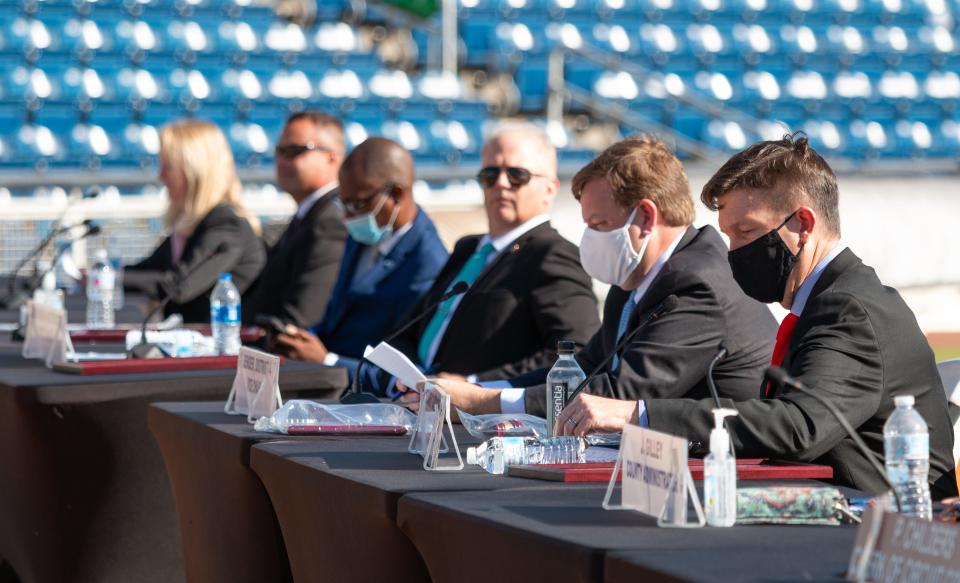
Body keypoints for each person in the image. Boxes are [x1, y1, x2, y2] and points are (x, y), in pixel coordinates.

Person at [564, 133, 955, 497]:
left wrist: (638, 412)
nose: (732, 251)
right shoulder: (826, 299)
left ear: (802, 225)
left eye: (746, 232)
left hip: (881, 531)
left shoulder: (847, 309)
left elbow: (799, 426)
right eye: (728, 235)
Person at [409, 136, 777, 422]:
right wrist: (473, 387)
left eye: (599, 225)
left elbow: (618, 395)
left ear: (645, 218)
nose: (591, 238)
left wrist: (483, 402)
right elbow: (585, 368)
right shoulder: (633, 278)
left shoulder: (698, 284)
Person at [366, 123, 600, 395]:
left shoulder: (553, 253)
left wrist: (475, 385)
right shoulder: (469, 248)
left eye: (517, 175)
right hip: (419, 401)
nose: (501, 184)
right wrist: (407, 377)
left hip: (483, 419)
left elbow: (573, 355)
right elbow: (412, 330)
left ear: (550, 189)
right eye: (490, 174)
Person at [271, 138, 448, 376]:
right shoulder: (363, 235)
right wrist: (302, 340)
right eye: (342, 204)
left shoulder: (428, 265)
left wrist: (328, 360)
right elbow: (338, 315)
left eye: (357, 204)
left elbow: (403, 373)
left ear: (396, 194)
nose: (346, 216)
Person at [125, 120, 265, 323]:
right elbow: (148, 270)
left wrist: (111, 279)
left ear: (195, 171)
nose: (160, 175)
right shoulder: (194, 224)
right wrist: (102, 275)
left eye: (168, 166)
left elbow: (178, 286)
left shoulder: (226, 225)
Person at [242, 111, 348, 328]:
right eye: (279, 151)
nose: (282, 161)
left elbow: (302, 319)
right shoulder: (310, 214)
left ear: (332, 157)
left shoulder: (330, 221)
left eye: (294, 151)